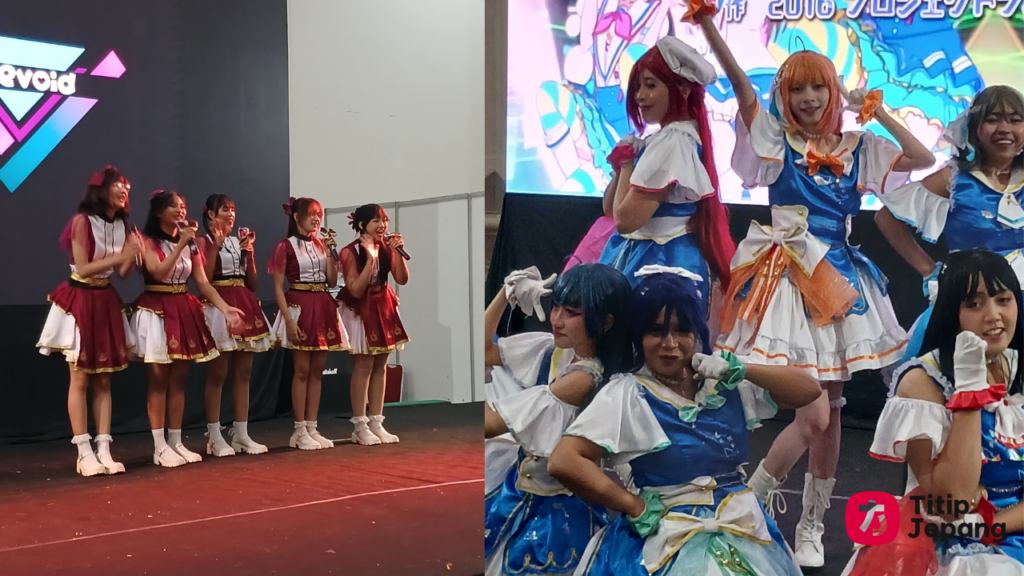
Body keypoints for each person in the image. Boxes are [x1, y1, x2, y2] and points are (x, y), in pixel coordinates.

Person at [690, 1, 936, 566]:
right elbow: (740, 87)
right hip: (785, 278)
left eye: (818, 87)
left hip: (840, 282)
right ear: (783, 95)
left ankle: (811, 523)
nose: (807, 98)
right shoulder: (776, 141)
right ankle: (753, 498)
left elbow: (920, 156)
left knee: (832, 409)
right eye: (796, 88)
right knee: (816, 413)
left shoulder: (858, 148)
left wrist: (874, 110)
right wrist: (706, 23)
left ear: (833, 91)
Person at [547, 271, 821, 576]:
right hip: (664, 539)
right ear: (638, 335)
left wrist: (743, 369)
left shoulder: (722, 378)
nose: (670, 343)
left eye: (682, 330)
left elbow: (809, 391)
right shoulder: (628, 394)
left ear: (697, 332)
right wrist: (632, 505)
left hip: (743, 527)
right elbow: (564, 460)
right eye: (655, 331)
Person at [842, 249, 1023, 575]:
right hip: (948, 538)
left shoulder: (1016, 369)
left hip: (1006, 528)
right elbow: (952, 504)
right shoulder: (921, 383)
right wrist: (969, 393)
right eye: (974, 304)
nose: (994, 315)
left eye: (1003, 300)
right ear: (951, 311)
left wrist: (992, 527)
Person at [483, 263, 633, 576]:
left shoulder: (584, 378)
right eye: (556, 307)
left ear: (605, 322)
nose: (557, 320)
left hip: (556, 512)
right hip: (521, 492)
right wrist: (506, 292)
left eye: (571, 312)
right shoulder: (555, 350)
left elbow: (489, 425)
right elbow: (481, 351)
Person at [876, 85, 1024, 360]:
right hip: (972, 303)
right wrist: (928, 269)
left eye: (1015, 120)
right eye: (993, 119)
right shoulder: (955, 179)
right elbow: (886, 217)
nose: (1004, 128)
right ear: (974, 127)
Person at [597, 34, 736, 323]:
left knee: (654, 341)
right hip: (646, 253)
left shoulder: (673, 142)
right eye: (638, 86)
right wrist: (623, 165)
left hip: (662, 262)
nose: (639, 96)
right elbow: (610, 210)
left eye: (650, 85)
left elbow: (625, 221)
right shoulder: (662, 139)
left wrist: (627, 165)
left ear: (682, 89)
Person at [37, 166, 142, 476]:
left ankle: (104, 450)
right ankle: (83, 453)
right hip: (80, 298)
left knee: (105, 379)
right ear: (102, 189)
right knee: (80, 378)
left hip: (105, 298)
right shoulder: (81, 221)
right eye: (118, 185)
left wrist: (134, 256)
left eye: (126, 186)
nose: (124, 191)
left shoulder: (123, 225)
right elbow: (82, 268)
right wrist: (122, 255)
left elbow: (122, 273)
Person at [132, 190, 244, 467]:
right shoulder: (148, 241)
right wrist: (181, 244)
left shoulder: (190, 243)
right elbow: (157, 272)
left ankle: (176, 441)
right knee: (159, 379)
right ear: (158, 212)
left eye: (182, 206)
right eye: (174, 206)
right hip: (156, 310)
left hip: (183, 308)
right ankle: (159, 446)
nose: (181, 210)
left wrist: (226, 309)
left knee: (178, 380)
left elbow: (203, 283)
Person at [197, 194, 274, 456]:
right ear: (210, 214)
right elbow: (205, 279)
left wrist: (249, 254)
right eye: (225, 210)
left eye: (232, 210)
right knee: (218, 373)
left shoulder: (237, 241)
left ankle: (241, 434)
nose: (231, 214)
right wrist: (215, 247)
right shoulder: (203, 241)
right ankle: (214, 435)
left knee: (244, 372)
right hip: (218, 305)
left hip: (243, 301)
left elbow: (252, 283)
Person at [269, 197, 348, 450]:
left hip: (322, 304)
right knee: (301, 369)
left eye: (319, 214)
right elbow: (278, 287)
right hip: (299, 305)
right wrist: (288, 320)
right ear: (296, 217)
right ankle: (299, 429)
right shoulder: (285, 246)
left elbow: (332, 280)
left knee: (317, 370)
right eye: (312, 214)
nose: (316, 219)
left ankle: (312, 428)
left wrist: (330, 253)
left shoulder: (321, 244)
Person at [336, 204, 409, 445]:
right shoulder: (349, 252)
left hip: (383, 304)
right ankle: (360, 425)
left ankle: (377, 422)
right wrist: (370, 259)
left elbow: (402, 279)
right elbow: (355, 289)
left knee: (381, 365)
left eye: (384, 220)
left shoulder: (387, 247)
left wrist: (398, 252)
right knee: (363, 365)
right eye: (376, 221)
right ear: (361, 225)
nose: (382, 225)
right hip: (360, 307)